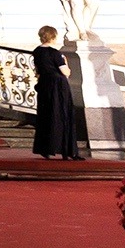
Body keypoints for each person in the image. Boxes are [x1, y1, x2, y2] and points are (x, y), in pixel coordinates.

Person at [32, 25, 80, 159]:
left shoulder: (36, 51)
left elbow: (38, 69)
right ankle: (67, 150)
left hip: (44, 85)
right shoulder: (55, 53)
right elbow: (66, 72)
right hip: (58, 86)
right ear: (53, 36)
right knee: (63, 114)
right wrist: (66, 63)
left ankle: (45, 148)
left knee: (46, 115)